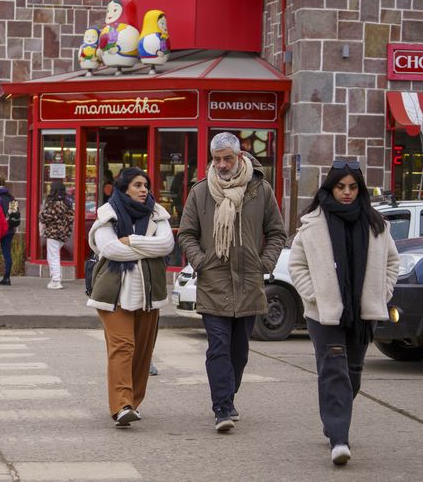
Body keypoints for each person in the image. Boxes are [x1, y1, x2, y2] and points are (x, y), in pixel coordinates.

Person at [289, 160, 399, 466]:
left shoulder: (377, 224)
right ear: (331, 187)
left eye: (352, 187)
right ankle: (339, 438)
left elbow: (393, 263)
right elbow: (297, 265)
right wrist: (315, 295)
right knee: (335, 367)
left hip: (362, 314)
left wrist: (382, 292)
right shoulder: (312, 223)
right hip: (323, 313)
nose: (347, 192)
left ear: (360, 189)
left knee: (353, 373)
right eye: (341, 187)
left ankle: (333, 417)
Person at [178, 132, 286, 433]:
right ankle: (222, 407)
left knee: (240, 352)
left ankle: (229, 396)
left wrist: (264, 264)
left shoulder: (260, 190)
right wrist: (201, 262)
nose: (222, 164)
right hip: (214, 282)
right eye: (217, 159)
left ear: (240, 157)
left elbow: (277, 232)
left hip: (249, 281)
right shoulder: (201, 192)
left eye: (227, 158)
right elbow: (186, 233)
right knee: (218, 348)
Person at [87, 167, 174, 427]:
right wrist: (146, 247)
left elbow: (167, 245)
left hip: (148, 293)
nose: (143, 189)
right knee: (123, 346)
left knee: (143, 352)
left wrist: (130, 241)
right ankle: (121, 405)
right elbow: (110, 249)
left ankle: (132, 402)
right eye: (137, 185)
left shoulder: (158, 213)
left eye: (145, 185)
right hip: (114, 293)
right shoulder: (107, 213)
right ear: (124, 188)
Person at [38, 181, 74, 290]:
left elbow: (44, 217)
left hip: (53, 233)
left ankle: (56, 280)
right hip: (64, 234)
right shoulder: (68, 203)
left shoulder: (52, 203)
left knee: (53, 256)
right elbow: (71, 218)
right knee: (54, 255)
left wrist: (41, 213)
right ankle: (55, 278)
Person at [0, 175, 17, 286]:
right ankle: (7, 278)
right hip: (10, 229)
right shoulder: (11, 197)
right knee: (7, 253)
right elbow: (14, 212)